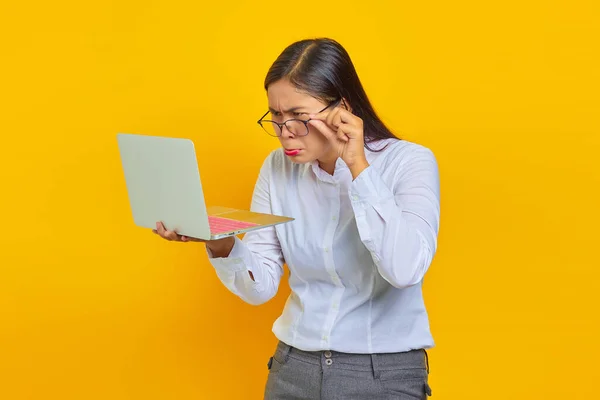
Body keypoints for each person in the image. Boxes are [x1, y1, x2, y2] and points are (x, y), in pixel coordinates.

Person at [154, 38, 440, 400]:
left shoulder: (409, 163)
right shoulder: (277, 169)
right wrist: (218, 239)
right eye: (275, 116)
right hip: (293, 370)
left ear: (343, 110)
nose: (285, 132)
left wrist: (357, 167)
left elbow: (405, 270)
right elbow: (261, 288)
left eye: (299, 117)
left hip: (382, 375)